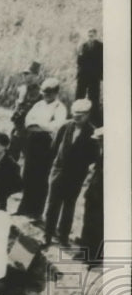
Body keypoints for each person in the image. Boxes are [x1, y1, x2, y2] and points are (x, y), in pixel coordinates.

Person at [43, 98, 99, 247]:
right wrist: (54, 168)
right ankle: (47, 235)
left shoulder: (92, 132)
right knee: (52, 205)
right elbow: (54, 148)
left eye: (80, 115)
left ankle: (63, 236)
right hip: (58, 171)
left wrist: (81, 167)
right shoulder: (65, 127)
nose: (76, 118)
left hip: (76, 176)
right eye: (74, 114)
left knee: (69, 206)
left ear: (87, 115)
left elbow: (93, 156)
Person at [17, 78, 68, 219]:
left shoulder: (60, 108)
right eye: (44, 93)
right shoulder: (38, 104)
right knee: (28, 174)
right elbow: (28, 120)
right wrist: (41, 124)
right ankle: (24, 206)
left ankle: (36, 211)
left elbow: (56, 126)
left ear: (56, 93)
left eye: (49, 93)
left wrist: (39, 125)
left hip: (46, 144)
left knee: (41, 176)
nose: (46, 96)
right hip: (32, 140)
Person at [78, 129, 104, 263]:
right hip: (93, 193)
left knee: (98, 225)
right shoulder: (101, 152)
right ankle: (84, 252)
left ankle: (95, 256)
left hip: (102, 196)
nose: (99, 143)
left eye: (101, 140)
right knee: (87, 222)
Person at [9, 62, 42, 160]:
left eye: (28, 74)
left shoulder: (41, 94)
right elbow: (17, 106)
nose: (25, 76)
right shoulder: (21, 90)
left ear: (36, 76)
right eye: (25, 74)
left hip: (30, 133)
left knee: (29, 161)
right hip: (17, 130)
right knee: (11, 159)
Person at [75, 28, 103, 127]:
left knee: (94, 99)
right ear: (86, 35)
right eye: (89, 35)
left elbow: (102, 62)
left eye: (92, 35)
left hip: (94, 77)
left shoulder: (101, 46)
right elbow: (79, 62)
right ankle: (77, 117)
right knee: (79, 96)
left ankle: (94, 120)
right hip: (83, 76)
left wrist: (101, 75)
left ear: (95, 35)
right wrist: (79, 52)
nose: (90, 37)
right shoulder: (82, 46)